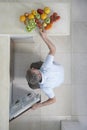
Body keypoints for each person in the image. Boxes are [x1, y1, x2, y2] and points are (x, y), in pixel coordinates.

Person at [26, 29, 64, 110]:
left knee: (31, 85)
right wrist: (45, 37)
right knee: (32, 64)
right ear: (38, 74)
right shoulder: (45, 67)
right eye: (33, 69)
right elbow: (53, 49)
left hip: (60, 81)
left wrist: (39, 105)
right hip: (60, 69)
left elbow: (53, 100)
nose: (33, 68)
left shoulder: (44, 88)